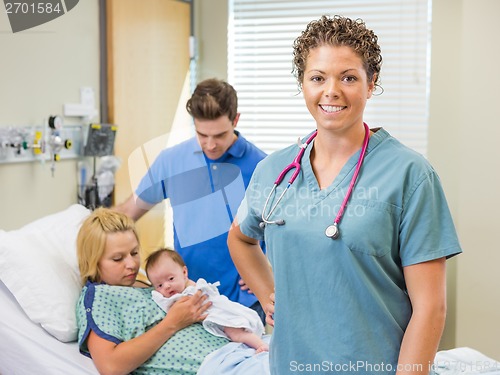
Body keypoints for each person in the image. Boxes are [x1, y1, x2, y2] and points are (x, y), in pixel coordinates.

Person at [228, 15, 462, 375]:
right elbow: (241, 239)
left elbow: (431, 308)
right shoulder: (273, 170)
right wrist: (268, 295)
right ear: (303, 83)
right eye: (317, 78)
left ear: (371, 85)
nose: (331, 91)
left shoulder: (409, 175)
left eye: (348, 77)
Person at [114, 78, 267, 322]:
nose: (210, 144)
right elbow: (128, 212)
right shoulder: (171, 161)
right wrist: (87, 231)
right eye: (202, 134)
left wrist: (268, 266)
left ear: (235, 120)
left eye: (219, 135)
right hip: (188, 297)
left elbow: (285, 230)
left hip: (244, 301)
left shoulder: (262, 166)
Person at [75, 207, 229, 374]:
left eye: (134, 253)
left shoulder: (147, 286)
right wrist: (172, 323)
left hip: (235, 352)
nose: (132, 264)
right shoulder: (100, 296)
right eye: (118, 258)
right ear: (93, 261)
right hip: (216, 367)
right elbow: (111, 366)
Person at [145, 248, 269, 353]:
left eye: (171, 279)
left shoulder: (192, 288)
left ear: (184, 272)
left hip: (221, 315)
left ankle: (261, 346)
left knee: (236, 333)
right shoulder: (174, 293)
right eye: (159, 285)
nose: (166, 286)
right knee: (235, 341)